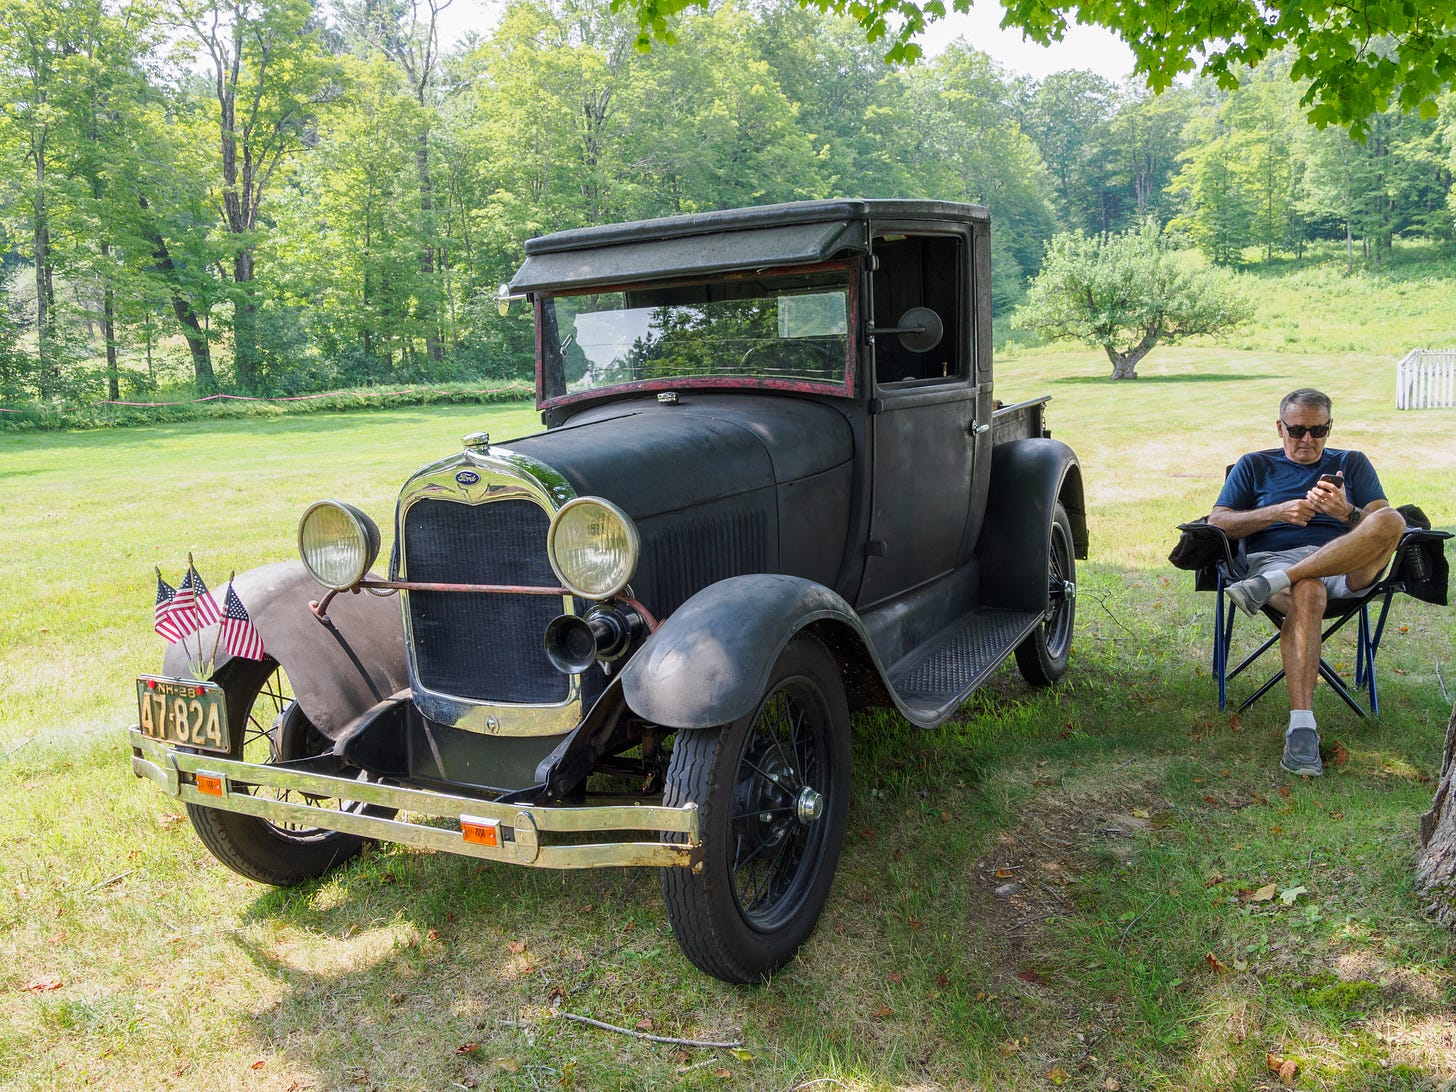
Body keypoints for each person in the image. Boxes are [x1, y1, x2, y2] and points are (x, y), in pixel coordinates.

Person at [1208, 388, 1405, 777]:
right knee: (1309, 590)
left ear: (1330, 427)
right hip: (1275, 560)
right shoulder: (1253, 466)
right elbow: (1218, 523)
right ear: (1280, 428)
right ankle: (1302, 728)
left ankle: (1279, 581)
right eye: (1297, 431)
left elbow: (1384, 525)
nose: (1307, 440)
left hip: (1346, 565)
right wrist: (1277, 512)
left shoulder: (1353, 463)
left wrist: (1347, 512)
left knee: (1392, 520)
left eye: (1318, 430)